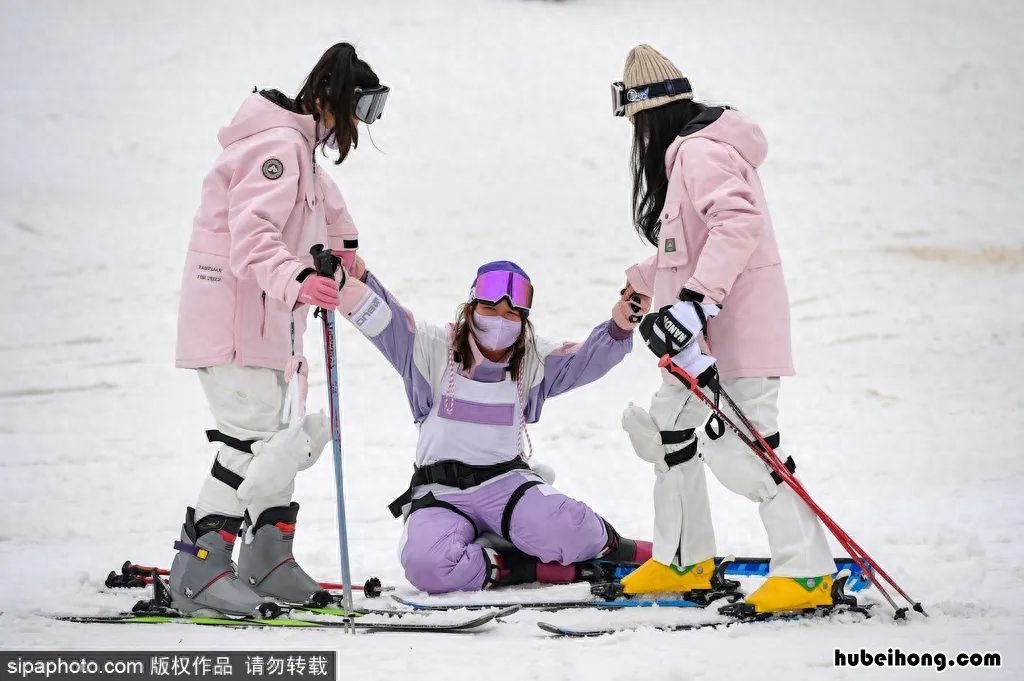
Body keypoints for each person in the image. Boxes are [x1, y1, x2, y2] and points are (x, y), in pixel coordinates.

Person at [610, 44, 836, 613]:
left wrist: (691, 303)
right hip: (696, 338)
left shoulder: (699, 153)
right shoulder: (689, 155)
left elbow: (737, 223)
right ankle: (685, 561)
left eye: (637, 125)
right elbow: (689, 248)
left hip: (735, 332)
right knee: (668, 434)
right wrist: (645, 283)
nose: (637, 140)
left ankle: (806, 572)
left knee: (746, 445)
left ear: (651, 116)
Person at [169, 42, 392, 616]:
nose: (361, 126)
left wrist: (345, 254)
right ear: (329, 101)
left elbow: (324, 209)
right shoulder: (277, 148)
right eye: (359, 110)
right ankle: (198, 571)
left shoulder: (300, 150)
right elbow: (252, 236)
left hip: (268, 327)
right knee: (246, 439)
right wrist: (300, 276)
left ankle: (266, 559)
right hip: (234, 325)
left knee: (278, 440)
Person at [337, 258, 653, 593]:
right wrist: (349, 281)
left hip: (506, 485)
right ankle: (515, 565)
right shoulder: (431, 347)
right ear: (471, 307)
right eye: (489, 308)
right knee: (426, 565)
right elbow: (385, 320)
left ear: (523, 320)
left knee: (574, 529)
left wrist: (620, 327)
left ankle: (641, 553)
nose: (500, 321)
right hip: (441, 494)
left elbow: (584, 360)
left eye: (511, 314)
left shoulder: (532, 359)